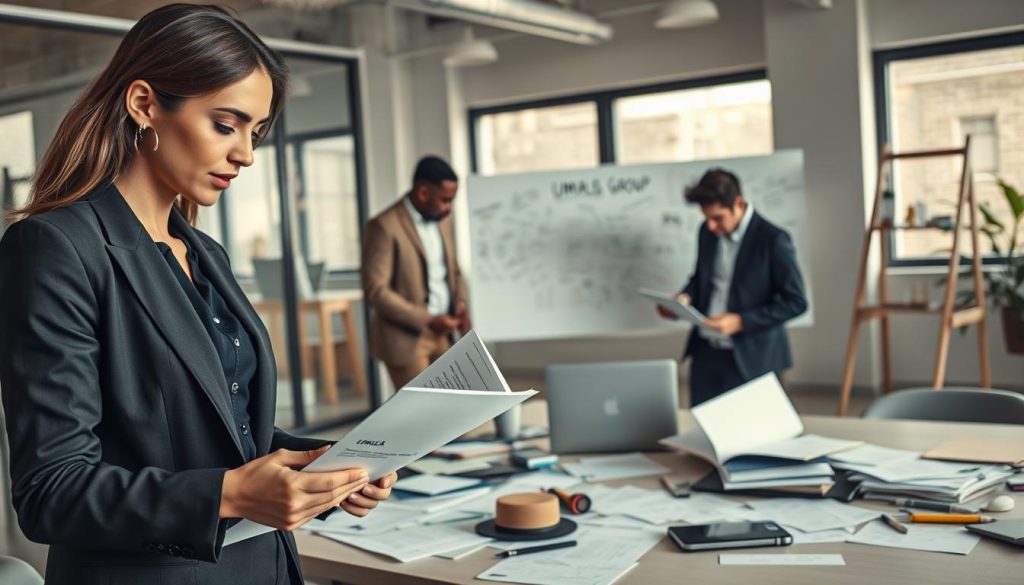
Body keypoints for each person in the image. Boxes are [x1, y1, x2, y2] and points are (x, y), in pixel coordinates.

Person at [0, 5, 396, 584]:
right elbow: (51, 491)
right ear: (144, 105)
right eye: (225, 124)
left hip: (266, 567)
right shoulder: (56, 247)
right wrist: (231, 493)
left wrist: (322, 466)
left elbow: (223, 430)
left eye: (255, 133)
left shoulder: (205, 254)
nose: (246, 155)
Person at [658, 168, 808, 406]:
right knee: (704, 435)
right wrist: (684, 299)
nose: (711, 226)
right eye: (706, 218)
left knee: (753, 438)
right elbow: (702, 279)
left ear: (738, 204)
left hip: (752, 359)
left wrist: (740, 321)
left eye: (717, 218)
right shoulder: (707, 234)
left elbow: (797, 303)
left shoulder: (774, 239)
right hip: (707, 353)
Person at [362, 155, 471, 388]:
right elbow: (375, 290)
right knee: (424, 417)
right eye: (445, 200)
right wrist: (427, 319)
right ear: (423, 193)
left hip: (444, 335)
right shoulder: (383, 226)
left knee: (455, 410)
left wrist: (461, 304)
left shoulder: (443, 222)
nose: (449, 208)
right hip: (406, 340)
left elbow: (454, 270)